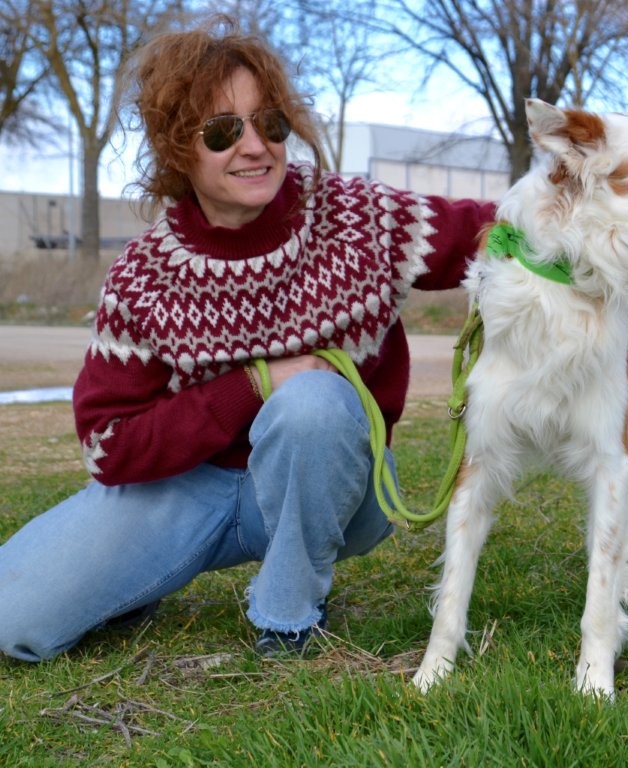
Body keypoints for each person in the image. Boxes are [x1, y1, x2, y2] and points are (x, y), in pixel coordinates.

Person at [0, 17, 494, 662]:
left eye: (271, 124)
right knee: (13, 621)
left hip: (338, 484)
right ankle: (139, 578)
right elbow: (108, 447)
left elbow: (498, 231)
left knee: (313, 401)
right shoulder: (145, 276)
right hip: (188, 490)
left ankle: (289, 614)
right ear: (177, 148)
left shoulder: (358, 219)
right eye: (223, 131)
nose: (255, 146)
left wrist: (605, 192)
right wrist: (254, 384)